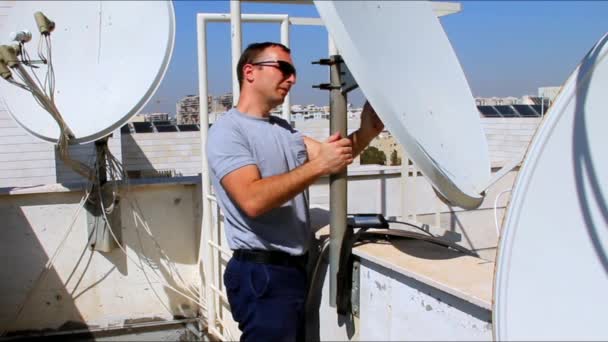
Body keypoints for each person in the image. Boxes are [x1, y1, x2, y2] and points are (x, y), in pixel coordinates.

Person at [206, 42, 384, 342]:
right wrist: (318, 167)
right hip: (261, 275)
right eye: (284, 69)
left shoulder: (284, 130)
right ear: (250, 71)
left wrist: (367, 131)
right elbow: (252, 200)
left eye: (294, 72)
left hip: (291, 273)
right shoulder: (228, 132)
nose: (292, 79)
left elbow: (332, 156)